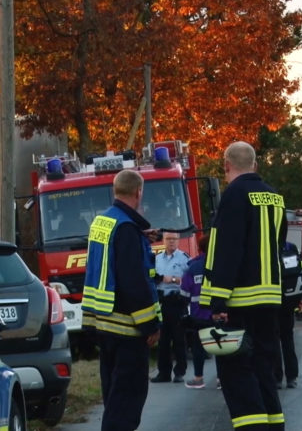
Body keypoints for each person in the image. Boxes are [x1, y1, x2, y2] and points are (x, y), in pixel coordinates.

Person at [200, 141, 286, 430]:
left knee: (237, 372)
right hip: (270, 299)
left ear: (226, 166)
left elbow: (228, 249)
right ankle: (275, 425)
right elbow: (279, 244)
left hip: (241, 300)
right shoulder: (275, 198)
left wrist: (218, 300)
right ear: (255, 165)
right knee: (265, 369)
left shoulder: (234, 195)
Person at [82, 169, 161, 431]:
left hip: (104, 326)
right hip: (127, 329)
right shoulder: (126, 228)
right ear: (138, 192)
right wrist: (150, 325)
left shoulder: (102, 222)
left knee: (114, 399)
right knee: (126, 404)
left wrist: (140, 238)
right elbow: (133, 282)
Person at [150, 231, 190, 383]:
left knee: (179, 339)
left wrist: (172, 279)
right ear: (163, 241)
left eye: (174, 239)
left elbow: (188, 281)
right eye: (168, 239)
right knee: (163, 340)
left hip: (177, 301)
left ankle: (179, 372)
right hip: (161, 302)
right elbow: (151, 277)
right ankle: (163, 373)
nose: (171, 242)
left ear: (178, 241)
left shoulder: (185, 259)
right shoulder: (156, 259)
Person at [178, 232, 215, 389]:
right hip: (217, 313)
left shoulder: (193, 267)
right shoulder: (220, 264)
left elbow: (184, 293)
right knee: (219, 345)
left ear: (199, 248)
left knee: (198, 347)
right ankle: (221, 379)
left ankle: (198, 378)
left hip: (198, 315)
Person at [274, 241, 302, 389]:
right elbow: (298, 273)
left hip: (271, 298)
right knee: (287, 339)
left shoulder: (266, 243)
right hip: (289, 298)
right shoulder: (290, 247)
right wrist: (299, 298)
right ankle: (292, 377)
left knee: (273, 340)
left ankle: (277, 378)